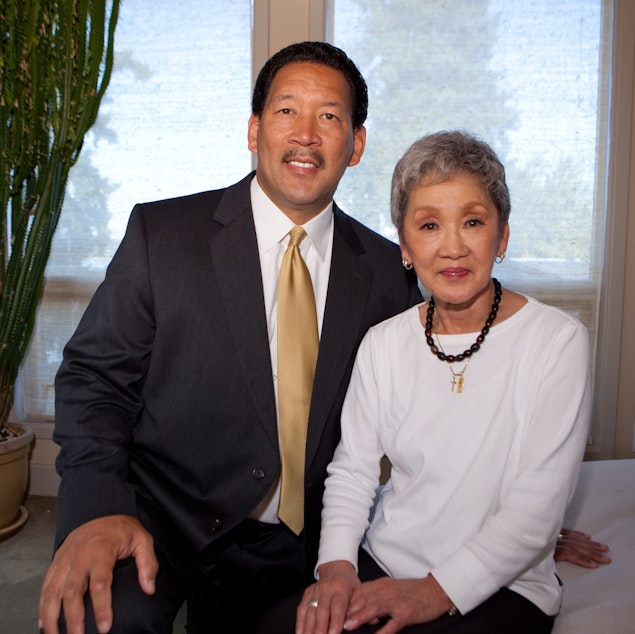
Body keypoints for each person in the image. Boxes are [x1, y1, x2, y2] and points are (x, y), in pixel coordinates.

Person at [38, 42, 606, 634]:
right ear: (254, 129)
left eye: (330, 116)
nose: (306, 134)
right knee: (96, 620)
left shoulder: (391, 272)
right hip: (164, 520)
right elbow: (93, 379)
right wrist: (97, 510)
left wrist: (522, 530)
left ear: (355, 144)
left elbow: (457, 387)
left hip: (301, 543)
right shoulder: (163, 235)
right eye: (287, 111)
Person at [262, 131, 594, 634]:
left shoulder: (557, 341)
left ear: (501, 237)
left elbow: (535, 512)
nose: (453, 246)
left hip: (505, 589)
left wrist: (431, 594)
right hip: (386, 563)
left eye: (474, 222)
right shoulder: (384, 342)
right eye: (430, 225)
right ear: (406, 246)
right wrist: (335, 569)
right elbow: (352, 471)